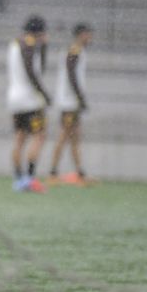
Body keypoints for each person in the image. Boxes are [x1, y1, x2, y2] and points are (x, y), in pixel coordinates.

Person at [6, 15, 50, 193]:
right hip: (30, 99)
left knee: (19, 138)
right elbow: (33, 71)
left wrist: (44, 47)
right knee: (39, 136)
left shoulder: (14, 43)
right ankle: (30, 179)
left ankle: (18, 179)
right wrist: (44, 93)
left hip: (14, 98)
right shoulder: (29, 43)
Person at [49, 23, 95, 185]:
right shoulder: (74, 50)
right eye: (88, 34)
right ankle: (53, 172)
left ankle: (79, 173)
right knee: (64, 135)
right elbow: (71, 74)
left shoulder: (77, 50)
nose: (90, 38)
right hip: (69, 102)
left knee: (75, 137)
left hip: (72, 103)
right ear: (81, 34)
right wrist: (80, 98)